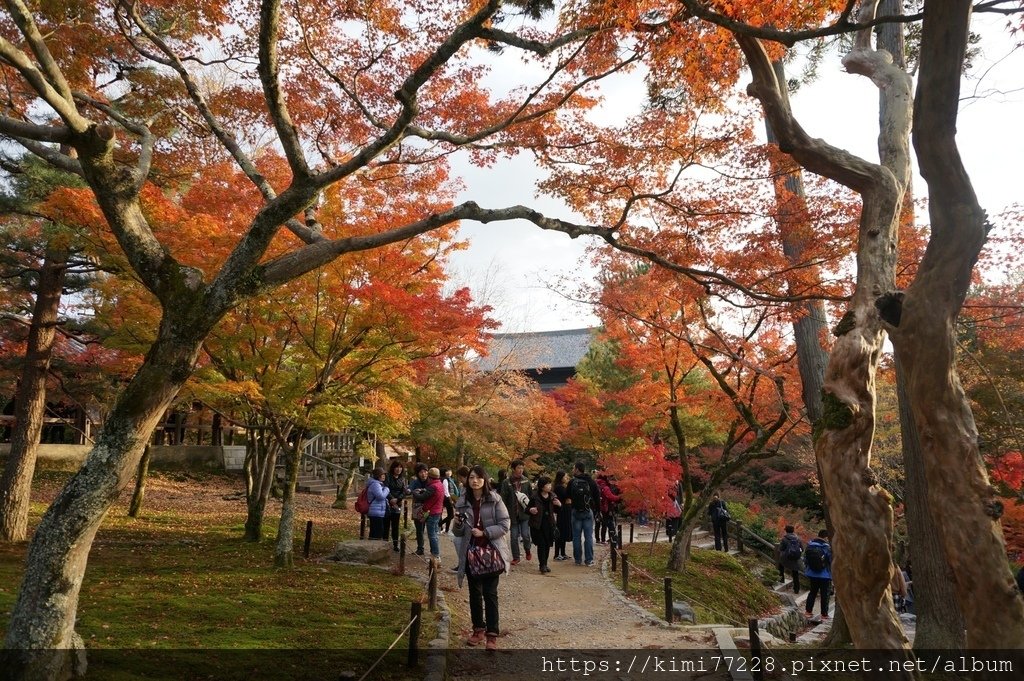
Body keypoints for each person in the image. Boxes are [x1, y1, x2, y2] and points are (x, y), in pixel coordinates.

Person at [453, 465, 511, 651]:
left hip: (491, 552)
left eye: (478, 477)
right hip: (470, 553)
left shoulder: (495, 500)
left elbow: (504, 524)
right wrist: (457, 524)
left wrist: (484, 532)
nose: (474, 481)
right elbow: (458, 532)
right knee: (474, 594)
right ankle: (478, 629)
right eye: (471, 478)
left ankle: (492, 634)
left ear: (485, 480)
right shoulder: (462, 501)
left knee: (490, 594)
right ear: (467, 481)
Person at [499, 459, 534, 566]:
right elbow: (503, 498)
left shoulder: (526, 481)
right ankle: (516, 557)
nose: (521, 470)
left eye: (522, 468)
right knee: (514, 537)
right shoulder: (506, 482)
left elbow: (531, 496)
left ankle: (527, 550)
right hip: (512, 514)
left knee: (526, 535)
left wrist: (532, 508)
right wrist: (502, 513)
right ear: (513, 469)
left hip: (525, 514)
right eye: (518, 468)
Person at [567, 461, 600, 566]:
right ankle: (589, 560)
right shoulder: (591, 481)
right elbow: (597, 497)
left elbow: (566, 495)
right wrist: (597, 511)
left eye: (573, 468)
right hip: (587, 511)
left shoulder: (572, 482)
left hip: (576, 511)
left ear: (577, 469)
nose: (572, 470)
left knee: (576, 537)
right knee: (588, 537)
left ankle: (577, 560)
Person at [527, 475, 560, 573]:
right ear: (542, 486)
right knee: (541, 545)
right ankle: (542, 565)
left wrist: (559, 505)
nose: (549, 486)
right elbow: (527, 509)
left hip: (549, 524)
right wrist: (531, 510)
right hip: (538, 524)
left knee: (547, 545)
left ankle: (545, 563)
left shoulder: (553, 496)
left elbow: (558, 510)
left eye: (550, 484)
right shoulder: (534, 497)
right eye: (547, 484)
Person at [803, 529, 832, 619]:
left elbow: (805, 559)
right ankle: (824, 614)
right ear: (826, 537)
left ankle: (808, 611)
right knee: (825, 594)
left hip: (812, 574)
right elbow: (831, 560)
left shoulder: (810, 545)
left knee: (812, 592)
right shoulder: (826, 547)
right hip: (825, 575)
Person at [408, 463, 433, 556]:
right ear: (418, 473)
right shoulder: (415, 482)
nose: (423, 474)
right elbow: (410, 489)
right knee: (419, 529)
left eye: (425, 471)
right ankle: (420, 548)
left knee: (431, 529)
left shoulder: (431, 481)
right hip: (418, 507)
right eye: (421, 472)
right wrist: (409, 490)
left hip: (429, 508)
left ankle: (433, 550)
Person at [424, 467, 447, 563]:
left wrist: (416, 493)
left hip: (432, 512)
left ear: (430, 477)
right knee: (435, 534)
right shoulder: (440, 484)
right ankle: (434, 554)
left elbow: (427, 499)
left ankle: (436, 555)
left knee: (432, 535)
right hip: (438, 512)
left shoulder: (433, 486)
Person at [384, 460, 407, 551]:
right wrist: (391, 499)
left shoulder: (402, 479)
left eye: (400, 467)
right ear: (393, 468)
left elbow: (404, 491)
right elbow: (385, 488)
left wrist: (397, 499)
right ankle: (384, 544)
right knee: (386, 525)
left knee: (395, 526)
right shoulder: (387, 477)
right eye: (396, 467)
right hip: (387, 503)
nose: (398, 469)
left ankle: (395, 545)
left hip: (398, 504)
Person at [366, 467, 390, 540]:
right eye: (381, 475)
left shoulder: (378, 484)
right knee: (378, 532)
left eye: (384, 474)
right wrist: (387, 489)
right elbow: (380, 496)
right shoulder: (375, 484)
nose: (384, 476)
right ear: (377, 476)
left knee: (374, 532)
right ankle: (375, 549)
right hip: (376, 512)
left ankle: (373, 547)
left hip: (377, 511)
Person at [595, 474, 621, 545]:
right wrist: (619, 497)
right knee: (607, 523)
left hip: (598, 507)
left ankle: (598, 539)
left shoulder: (597, 484)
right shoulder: (605, 486)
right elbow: (610, 496)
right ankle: (610, 539)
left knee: (599, 524)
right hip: (605, 508)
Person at [778, 525, 804, 594]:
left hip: (786, 559)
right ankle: (796, 589)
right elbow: (802, 549)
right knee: (795, 573)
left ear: (786, 531)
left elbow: (780, 549)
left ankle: (781, 579)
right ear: (793, 531)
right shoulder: (798, 539)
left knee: (780, 565)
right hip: (795, 559)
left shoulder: (784, 539)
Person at [553, 470, 572, 561]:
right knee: (560, 532)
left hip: (565, 510)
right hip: (562, 511)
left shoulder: (562, 487)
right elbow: (567, 497)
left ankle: (563, 553)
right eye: (565, 476)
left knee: (563, 532)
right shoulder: (559, 487)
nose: (567, 478)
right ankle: (557, 554)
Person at [440, 468, 458, 534]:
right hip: (448, 497)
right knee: (451, 515)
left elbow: (454, 490)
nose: (449, 472)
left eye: (450, 471)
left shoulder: (450, 479)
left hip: (450, 497)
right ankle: (440, 525)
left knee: (449, 515)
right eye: (448, 471)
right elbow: (447, 491)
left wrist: (456, 498)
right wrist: (452, 499)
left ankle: (446, 529)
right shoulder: (445, 479)